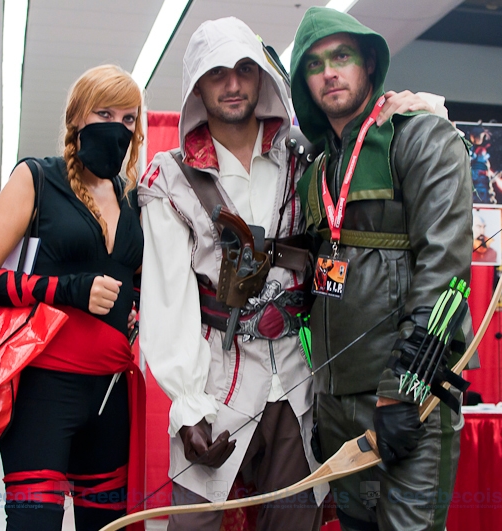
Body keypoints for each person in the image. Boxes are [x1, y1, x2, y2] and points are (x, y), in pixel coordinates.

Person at [138, 16, 440, 531]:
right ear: (196, 88)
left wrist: (420, 109)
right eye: (216, 74)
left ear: (262, 77)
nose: (233, 85)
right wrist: (187, 408)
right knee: (194, 523)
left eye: (244, 69)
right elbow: (168, 299)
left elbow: (374, 144)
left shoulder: (307, 156)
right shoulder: (169, 179)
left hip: (300, 387)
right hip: (216, 388)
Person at [291, 7, 472, 531]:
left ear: (369, 63)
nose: (330, 73)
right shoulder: (317, 169)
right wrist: (323, 396)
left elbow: (446, 272)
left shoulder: (421, 137)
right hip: (335, 405)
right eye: (315, 64)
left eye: (342, 56)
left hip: (406, 400)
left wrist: (405, 389)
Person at [0, 64, 145, 531]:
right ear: (77, 118)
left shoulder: (134, 199)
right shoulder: (37, 177)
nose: (118, 127)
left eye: (128, 118)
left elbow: (139, 281)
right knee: (33, 523)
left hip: (110, 394)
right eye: (105, 113)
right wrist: (66, 290)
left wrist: (138, 307)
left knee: (109, 525)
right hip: (43, 389)